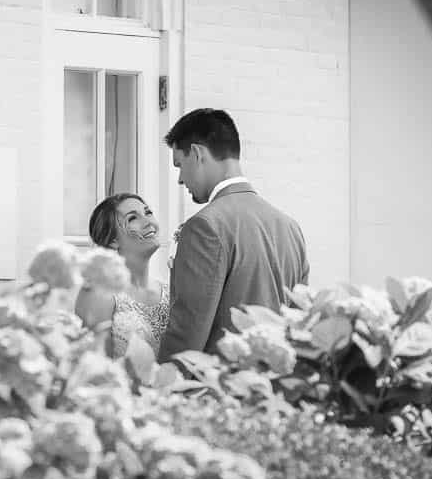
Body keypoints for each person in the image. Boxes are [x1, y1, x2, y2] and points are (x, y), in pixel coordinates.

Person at [158, 108, 309, 362]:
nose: (181, 180)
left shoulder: (205, 226)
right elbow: (299, 322)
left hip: (219, 390)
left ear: (196, 153)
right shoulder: (290, 227)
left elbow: (187, 335)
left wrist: (158, 391)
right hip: (274, 391)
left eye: (179, 166)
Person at [75, 193, 170, 358]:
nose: (149, 222)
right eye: (133, 218)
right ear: (113, 240)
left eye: (148, 213)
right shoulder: (98, 293)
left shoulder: (170, 290)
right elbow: (94, 370)